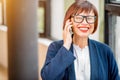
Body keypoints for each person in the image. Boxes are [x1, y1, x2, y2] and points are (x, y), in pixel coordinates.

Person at [41, 1, 120, 80]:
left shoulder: (105, 51)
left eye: (89, 18)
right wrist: (66, 46)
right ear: (69, 21)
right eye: (78, 18)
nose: (84, 22)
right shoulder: (56, 47)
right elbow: (48, 77)